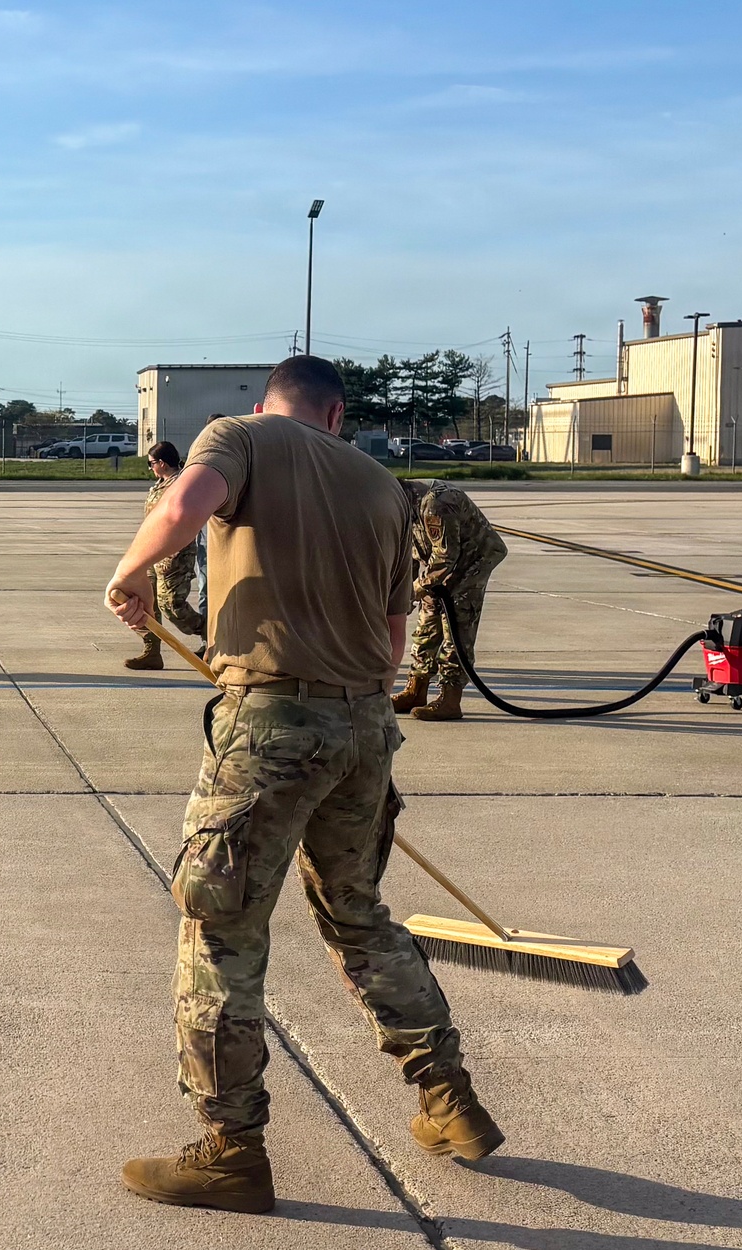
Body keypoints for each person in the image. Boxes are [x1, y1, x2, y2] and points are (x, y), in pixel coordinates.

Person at [105, 356, 502, 1215]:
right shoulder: (382, 484)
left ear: (266, 406)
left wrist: (132, 572)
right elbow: (397, 644)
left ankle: (231, 1149)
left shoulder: (239, 437)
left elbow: (184, 506)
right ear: (337, 415)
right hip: (364, 727)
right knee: (359, 913)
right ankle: (449, 1098)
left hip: (271, 724)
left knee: (220, 930)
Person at [392, 478, 507, 721]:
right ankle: (416, 689)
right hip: (443, 565)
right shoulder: (404, 509)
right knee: (426, 624)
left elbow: (446, 556)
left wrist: (415, 590)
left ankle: (450, 697)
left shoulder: (436, 504)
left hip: (472, 561)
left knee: (455, 627)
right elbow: (410, 554)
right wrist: (404, 595)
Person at [123, 442, 205, 670]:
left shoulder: (181, 484)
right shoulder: (161, 484)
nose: (150, 469)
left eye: (151, 464)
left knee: (171, 605)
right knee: (146, 603)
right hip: (152, 552)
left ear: (162, 463)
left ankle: (210, 634)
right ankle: (151, 652)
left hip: (174, 554)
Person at [194, 414, 226, 658]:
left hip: (223, 538)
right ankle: (209, 642)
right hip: (204, 537)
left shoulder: (236, 459)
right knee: (205, 591)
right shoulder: (200, 459)